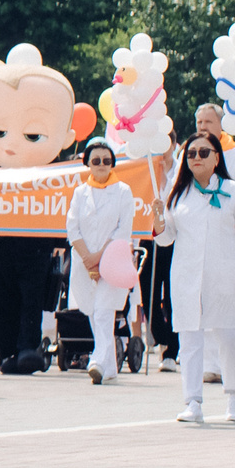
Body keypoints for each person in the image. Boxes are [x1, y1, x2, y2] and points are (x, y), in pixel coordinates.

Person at [153, 131, 235, 423]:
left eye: (203, 152)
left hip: (226, 276)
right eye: (191, 153)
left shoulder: (234, 191)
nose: (196, 158)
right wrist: (158, 223)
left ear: (216, 158)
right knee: (190, 339)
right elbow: (166, 239)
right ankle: (193, 402)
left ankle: (234, 397)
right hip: (187, 278)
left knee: (229, 337)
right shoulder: (177, 195)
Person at [63, 140, 138, 386]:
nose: (102, 165)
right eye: (96, 161)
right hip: (83, 262)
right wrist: (87, 259)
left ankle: (97, 361)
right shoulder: (79, 192)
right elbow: (72, 227)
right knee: (93, 312)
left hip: (113, 261)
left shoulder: (124, 192)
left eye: (107, 160)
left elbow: (122, 230)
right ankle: (111, 366)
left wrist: (99, 259)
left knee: (106, 312)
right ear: (88, 164)